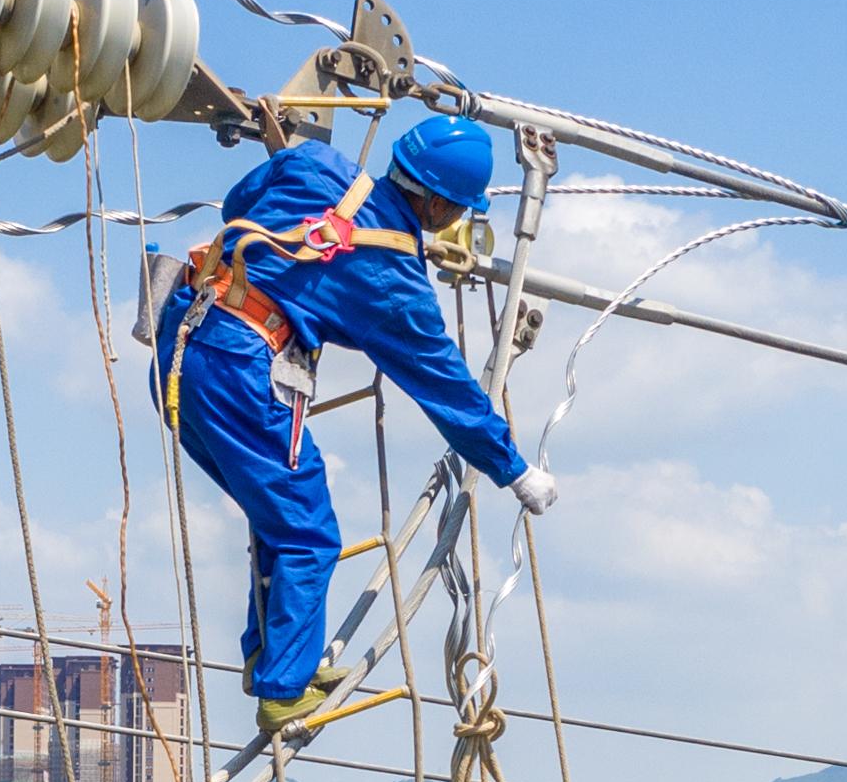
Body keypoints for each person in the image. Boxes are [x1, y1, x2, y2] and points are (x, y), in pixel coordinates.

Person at [154, 113, 555, 733]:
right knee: (308, 533)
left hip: (182, 336)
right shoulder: (395, 287)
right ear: (442, 205)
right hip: (241, 367)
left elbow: (241, 201)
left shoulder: (317, 166)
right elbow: (447, 389)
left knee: (279, 514)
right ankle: (284, 690)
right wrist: (516, 470)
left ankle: (275, 658)